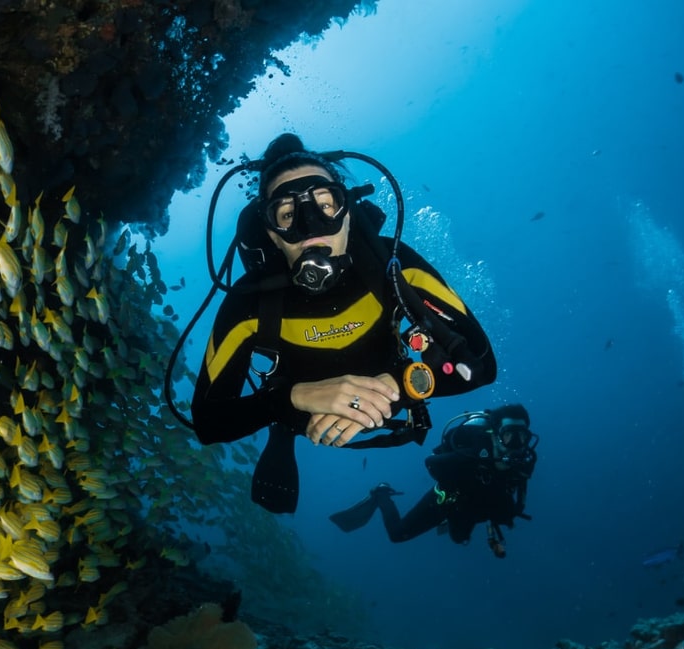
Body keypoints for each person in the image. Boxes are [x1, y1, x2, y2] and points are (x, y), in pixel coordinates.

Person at [189, 134, 497, 512]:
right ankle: (282, 432)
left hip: (394, 389)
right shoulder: (249, 302)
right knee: (282, 417)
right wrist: (292, 398)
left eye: (325, 204)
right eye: (287, 214)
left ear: (347, 212)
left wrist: (400, 386)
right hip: (296, 412)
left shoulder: (394, 266)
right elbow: (208, 421)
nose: (310, 226)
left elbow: (481, 364)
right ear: (271, 233)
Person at [329, 404, 538, 558]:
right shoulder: (472, 453)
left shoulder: (523, 462)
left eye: (523, 436)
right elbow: (432, 463)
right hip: (447, 500)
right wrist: (453, 490)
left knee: (460, 539)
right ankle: (381, 494)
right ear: (494, 435)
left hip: (478, 506)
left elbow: (517, 497)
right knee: (397, 534)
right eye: (510, 435)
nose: (517, 444)